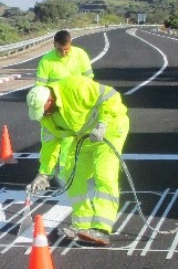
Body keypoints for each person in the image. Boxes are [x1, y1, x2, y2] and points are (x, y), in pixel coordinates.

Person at [25, 75, 129, 247]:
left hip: (110, 129)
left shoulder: (76, 86)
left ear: (50, 99)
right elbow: (50, 145)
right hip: (84, 137)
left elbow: (111, 96)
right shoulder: (46, 118)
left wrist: (102, 124)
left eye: (44, 109)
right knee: (71, 174)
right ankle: (82, 226)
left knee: (104, 174)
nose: (43, 115)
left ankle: (102, 230)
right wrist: (44, 173)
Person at [35, 30, 95, 182]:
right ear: (54, 44)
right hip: (53, 110)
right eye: (59, 49)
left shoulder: (80, 55)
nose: (63, 53)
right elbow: (39, 88)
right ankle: (45, 174)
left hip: (74, 110)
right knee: (48, 142)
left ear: (71, 44)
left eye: (66, 49)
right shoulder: (46, 61)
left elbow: (89, 82)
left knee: (70, 143)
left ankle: (66, 176)